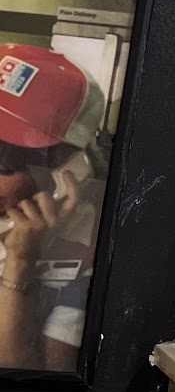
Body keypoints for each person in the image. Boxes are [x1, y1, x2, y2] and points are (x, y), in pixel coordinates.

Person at [0, 44, 106, 372]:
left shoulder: (88, 251)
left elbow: (23, 380)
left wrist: (20, 263)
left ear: (64, 170)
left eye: (3, 159)